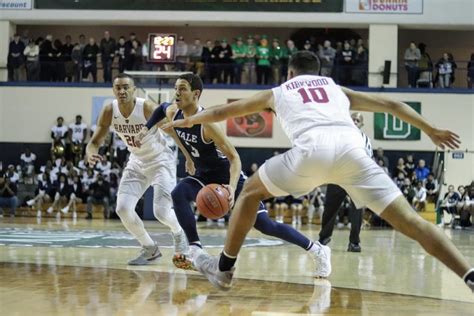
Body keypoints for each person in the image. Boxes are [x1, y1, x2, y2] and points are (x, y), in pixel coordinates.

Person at [164, 51, 474, 293]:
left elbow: (223, 112)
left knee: (250, 193)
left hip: (311, 154)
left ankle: (225, 269)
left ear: (289, 73)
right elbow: (391, 104)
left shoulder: (280, 90)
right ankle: (468, 273)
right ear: (319, 74)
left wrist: (187, 121)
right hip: (355, 154)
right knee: (413, 223)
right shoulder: (335, 88)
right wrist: (431, 130)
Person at [137, 73, 329, 274]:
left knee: (265, 225)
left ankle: (317, 250)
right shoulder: (173, 112)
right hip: (203, 175)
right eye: (176, 87)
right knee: (178, 193)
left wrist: (231, 185)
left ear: (196, 94)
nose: (177, 92)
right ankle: (194, 249)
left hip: (228, 178)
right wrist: (152, 134)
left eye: (182, 88)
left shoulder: (207, 124)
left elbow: (235, 158)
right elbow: (160, 109)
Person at [85, 73, 188, 265]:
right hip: (137, 162)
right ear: (113, 90)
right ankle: (150, 249)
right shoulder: (109, 110)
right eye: (118, 88)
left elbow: (173, 132)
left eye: (126, 87)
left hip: (161, 161)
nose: (122, 91)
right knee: (123, 209)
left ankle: (180, 234)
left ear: (134, 90)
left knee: (162, 212)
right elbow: (95, 141)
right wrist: (90, 152)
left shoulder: (146, 107)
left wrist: (188, 157)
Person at [318, 112, 372, 252]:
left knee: (357, 211)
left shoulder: (365, 139)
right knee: (330, 209)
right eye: (353, 119)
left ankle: (354, 242)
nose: (355, 121)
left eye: (358, 120)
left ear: (361, 124)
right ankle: (323, 238)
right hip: (338, 176)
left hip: (356, 178)